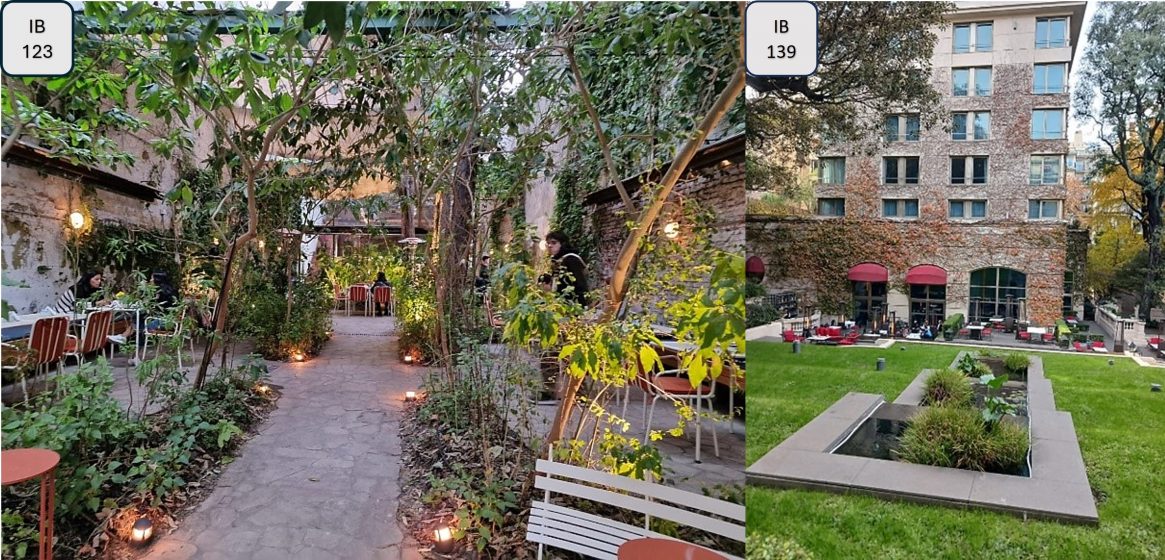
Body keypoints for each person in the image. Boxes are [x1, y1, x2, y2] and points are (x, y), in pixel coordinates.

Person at [541, 231, 589, 307]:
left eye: (554, 243)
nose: (550, 246)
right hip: (563, 304)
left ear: (562, 244)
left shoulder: (571, 259)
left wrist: (582, 307)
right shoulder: (558, 261)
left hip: (574, 306)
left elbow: (580, 285)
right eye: (548, 243)